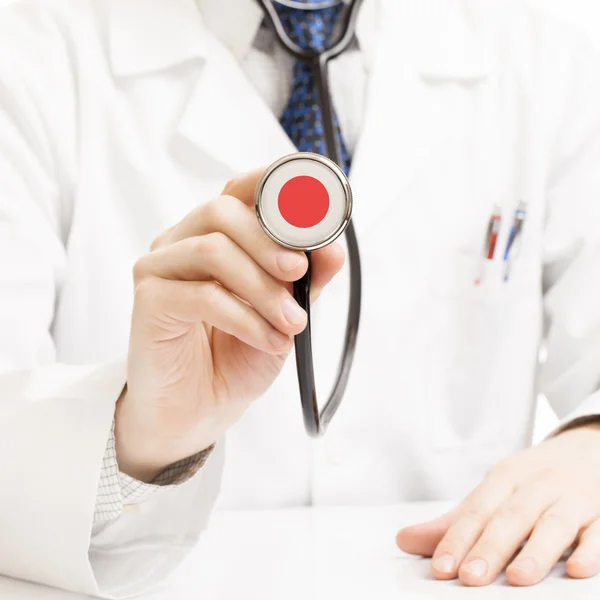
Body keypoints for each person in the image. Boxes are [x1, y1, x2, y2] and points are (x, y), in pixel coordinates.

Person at [1, 0, 600, 596]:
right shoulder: (30, 56)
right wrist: (144, 441)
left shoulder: (550, 61)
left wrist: (591, 441)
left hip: (461, 579)